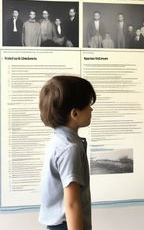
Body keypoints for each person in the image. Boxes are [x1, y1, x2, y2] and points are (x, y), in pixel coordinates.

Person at [39, 75, 96, 230]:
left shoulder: (58, 140)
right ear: (75, 113)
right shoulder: (70, 148)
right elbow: (72, 204)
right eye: (88, 105)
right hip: (67, 225)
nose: (91, 109)